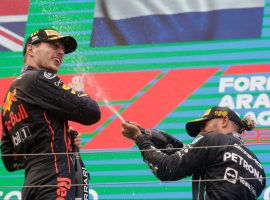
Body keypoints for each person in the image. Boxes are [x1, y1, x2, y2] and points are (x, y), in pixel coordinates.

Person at [1, 28, 101, 200]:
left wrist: (62, 141)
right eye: (53, 45)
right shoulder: (39, 77)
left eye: (62, 49)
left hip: (31, 186)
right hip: (56, 180)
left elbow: (10, 160)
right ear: (31, 49)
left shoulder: (10, 96)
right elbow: (91, 112)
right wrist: (79, 92)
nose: (61, 52)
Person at [121, 106, 266, 200]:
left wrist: (139, 138)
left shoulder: (213, 139)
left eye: (204, 125)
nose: (201, 132)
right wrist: (147, 133)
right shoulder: (258, 168)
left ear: (224, 121)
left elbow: (166, 169)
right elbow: (183, 150)